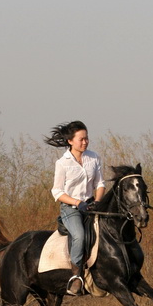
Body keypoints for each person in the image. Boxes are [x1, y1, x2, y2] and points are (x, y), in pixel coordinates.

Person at [45, 121, 106, 295]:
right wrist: (77, 203)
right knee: (79, 235)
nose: (85, 142)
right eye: (81, 139)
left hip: (91, 204)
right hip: (70, 208)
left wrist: (97, 201)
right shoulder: (62, 163)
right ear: (70, 141)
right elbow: (57, 191)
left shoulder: (93, 157)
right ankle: (76, 276)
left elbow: (100, 183)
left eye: (87, 138)